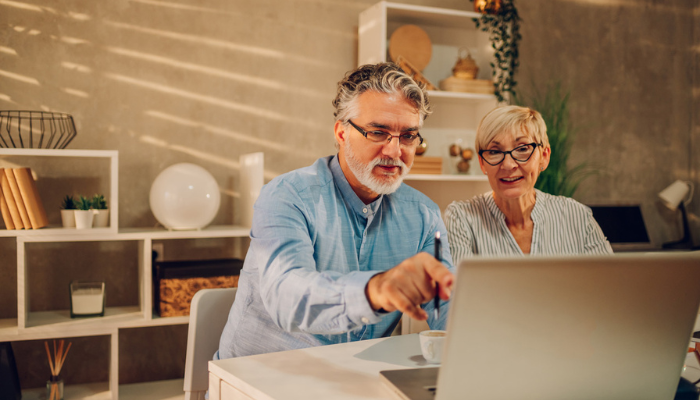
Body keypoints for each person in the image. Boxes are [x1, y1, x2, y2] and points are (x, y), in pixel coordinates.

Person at [216, 63, 454, 359]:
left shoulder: (423, 214)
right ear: (342, 133)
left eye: (408, 136)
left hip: (350, 379)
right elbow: (287, 298)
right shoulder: (288, 196)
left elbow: (448, 310)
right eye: (378, 132)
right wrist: (374, 290)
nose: (395, 152)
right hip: (257, 378)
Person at [444, 105, 612, 263]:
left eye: (522, 149)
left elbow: (610, 285)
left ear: (544, 156)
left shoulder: (576, 216)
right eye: (495, 152)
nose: (508, 165)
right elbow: (457, 291)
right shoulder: (462, 218)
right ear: (482, 163)